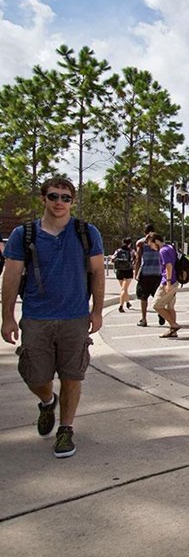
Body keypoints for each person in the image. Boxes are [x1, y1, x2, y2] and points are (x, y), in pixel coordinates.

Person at [1, 177, 105, 458]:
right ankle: (47, 401)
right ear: (43, 199)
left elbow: (98, 272)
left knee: (73, 375)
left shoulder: (87, 232)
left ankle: (65, 429)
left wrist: (96, 311)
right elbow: (11, 275)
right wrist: (7, 317)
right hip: (36, 317)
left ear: (72, 201)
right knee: (35, 375)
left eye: (66, 197)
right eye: (54, 196)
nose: (59, 202)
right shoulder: (24, 235)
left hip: (75, 317)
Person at [148, 233, 180, 338]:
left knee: (156, 305)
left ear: (156, 241)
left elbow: (168, 266)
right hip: (175, 281)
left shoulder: (163, 251)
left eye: (151, 245)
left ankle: (173, 325)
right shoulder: (170, 247)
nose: (152, 248)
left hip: (168, 282)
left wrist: (168, 283)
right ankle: (173, 331)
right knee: (170, 306)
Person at [134, 224, 162, 327]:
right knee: (158, 296)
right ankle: (161, 313)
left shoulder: (141, 243)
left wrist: (136, 272)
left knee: (143, 297)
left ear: (144, 232)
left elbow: (138, 259)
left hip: (145, 272)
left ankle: (144, 319)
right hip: (157, 272)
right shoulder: (158, 241)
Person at [112, 237, 134, 313]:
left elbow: (113, 259)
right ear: (130, 243)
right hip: (128, 271)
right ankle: (121, 305)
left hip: (119, 271)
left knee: (124, 288)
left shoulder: (118, 251)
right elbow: (134, 259)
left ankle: (127, 302)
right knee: (124, 289)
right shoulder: (131, 251)